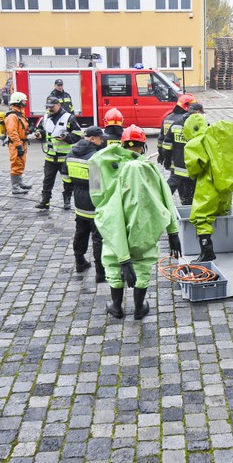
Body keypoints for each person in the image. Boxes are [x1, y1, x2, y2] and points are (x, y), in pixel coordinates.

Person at [89, 125, 182, 319]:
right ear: (143, 146)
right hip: (142, 229)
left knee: (113, 263)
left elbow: (96, 196)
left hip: (111, 225)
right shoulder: (147, 169)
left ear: (122, 144)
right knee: (142, 264)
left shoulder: (97, 164)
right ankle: (139, 308)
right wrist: (173, 232)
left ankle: (116, 306)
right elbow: (166, 198)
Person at [184, 114, 233, 262]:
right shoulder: (215, 137)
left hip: (208, 187)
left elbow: (195, 168)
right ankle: (224, 246)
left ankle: (207, 251)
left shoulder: (196, 142)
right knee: (221, 214)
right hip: (225, 186)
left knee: (200, 216)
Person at [63, 126, 106, 281]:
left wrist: (73, 189)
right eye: (100, 138)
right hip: (93, 204)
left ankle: (79, 262)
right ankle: (100, 272)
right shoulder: (95, 157)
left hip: (79, 203)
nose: (102, 141)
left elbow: (65, 177)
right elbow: (98, 186)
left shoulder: (71, 153)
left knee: (81, 232)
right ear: (92, 139)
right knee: (97, 238)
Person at [34, 96, 82, 209]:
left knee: (67, 180)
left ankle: (67, 201)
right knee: (47, 180)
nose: (50, 109)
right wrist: (40, 134)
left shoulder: (69, 118)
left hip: (64, 157)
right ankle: (45, 202)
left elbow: (78, 135)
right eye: (48, 107)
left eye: (52, 107)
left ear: (59, 105)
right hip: (50, 156)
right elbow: (40, 129)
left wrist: (66, 137)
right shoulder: (45, 117)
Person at [163, 102, 205, 205]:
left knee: (171, 185)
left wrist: (167, 159)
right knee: (194, 188)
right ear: (198, 112)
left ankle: (161, 201)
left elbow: (167, 144)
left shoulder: (176, 123)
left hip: (178, 164)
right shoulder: (201, 125)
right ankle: (191, 205)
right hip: (193, 165)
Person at [5, 92, 33, 194]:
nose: (25, 102)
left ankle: (20, 183)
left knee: (21, 163)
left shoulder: (20, 114)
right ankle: (15, 187)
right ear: (18, 102)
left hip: (21, 143)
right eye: (24, 101)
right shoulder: (12, 116)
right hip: (16, 144)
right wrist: (18, 146)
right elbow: (12, 132)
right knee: (16, 164)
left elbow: (21, 128)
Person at [158, 94, 195, 168]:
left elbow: (161, 138)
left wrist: (161, 154)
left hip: (169, 157)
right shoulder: (186, 121)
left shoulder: (167, 118)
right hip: (181, 159)